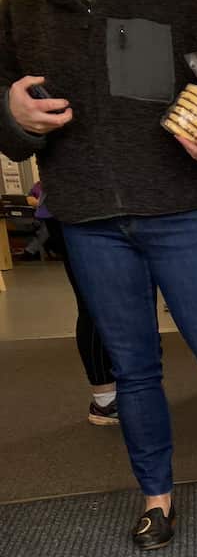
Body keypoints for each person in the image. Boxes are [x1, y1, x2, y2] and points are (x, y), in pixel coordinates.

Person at [0, 0, 197, 548]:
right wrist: (12, 113)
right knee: (133, 369)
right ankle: (155, 499)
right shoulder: (23, 7)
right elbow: (5, 107)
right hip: (89, 216)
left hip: (182, 210)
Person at [28, 180, 119, 425]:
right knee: (94, 303)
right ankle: (105, 400)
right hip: (76, 208)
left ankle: (128, 392)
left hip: (125, 203)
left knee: (126, 304)